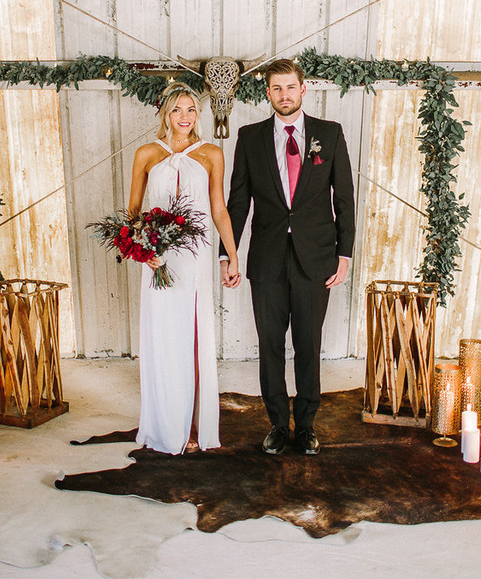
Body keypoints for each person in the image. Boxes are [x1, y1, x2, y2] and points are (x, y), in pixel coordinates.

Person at [220, 59, 355, 456]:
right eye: (276, 88)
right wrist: (229, 256)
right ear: (267, 93)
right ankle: (278, 424)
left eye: (290, 87)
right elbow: (238, 201)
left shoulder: (329, 135)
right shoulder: (250, 137)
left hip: (316, 259)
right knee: (271, 345)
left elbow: (344, 199)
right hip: (267, 259)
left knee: (309, 344)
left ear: (303, 90)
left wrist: (344, 253)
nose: (284, 95)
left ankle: (308, 425)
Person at [129, 82, 240, 455]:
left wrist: (233, 254)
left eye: (191, 109)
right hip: (158, 257)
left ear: (199, 114)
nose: (184, 117)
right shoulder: (146, 153)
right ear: (165, 113)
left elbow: (219, 208)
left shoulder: (211, 153)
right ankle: (164, 423)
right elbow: (133, 211)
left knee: (193, 336)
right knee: (162, 336)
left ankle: (194, 426)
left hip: (194, 257)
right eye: (177, 110)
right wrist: (144, 249)